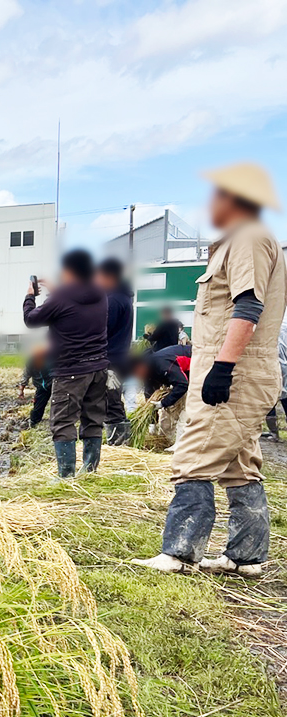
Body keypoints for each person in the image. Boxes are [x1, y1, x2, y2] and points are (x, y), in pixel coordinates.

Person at [135, 163, 286, 578]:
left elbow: (248, 305)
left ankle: (180, 554)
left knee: (194, 457)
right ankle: (246, 557)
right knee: (240, 463)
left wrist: (223, 366)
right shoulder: (238, 241)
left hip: (236, 371)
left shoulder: (249, 238)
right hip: (236, 368)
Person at [23, 250, 109, 478]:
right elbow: (75, 304)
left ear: (69, 270)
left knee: (63, 422)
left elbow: (31, 320)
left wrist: (29, 297)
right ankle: (90, 471)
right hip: (99, 368)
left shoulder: (61, 297)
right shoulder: (100, 293)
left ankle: (66, 477)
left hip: (71, 370)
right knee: (93, 419)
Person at [97, 257, 135, 445]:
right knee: (112, 401)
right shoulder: (123, 297)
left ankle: (120, 444)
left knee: (110, 402)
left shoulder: (112, 300)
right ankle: (119, 441)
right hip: (119, 358)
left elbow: (101, 331)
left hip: (110, 360)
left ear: (109, 277)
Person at [132, 345, 191, 444]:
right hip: (180, 377)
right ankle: (165, 440)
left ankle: (181, 443)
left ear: (141, 366)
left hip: (197, 366)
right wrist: (152, 424)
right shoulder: (147, 374)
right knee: (169, 409)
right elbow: (149, 400)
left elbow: (182, 384)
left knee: (184, 408)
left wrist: (163, 403)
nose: (137, 377)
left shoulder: (161, 364)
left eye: (136, 373)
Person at [262, 317, 287, 440]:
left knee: (270, 400)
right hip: (279, 365)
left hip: (272, 365)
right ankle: (274, 433)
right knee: (284, 398)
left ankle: (274, 434)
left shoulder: (274, 323)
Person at [18, 343, 54, 427]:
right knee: (38, 406)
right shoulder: (31, 363)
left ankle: (57, 422)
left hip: (53, 384)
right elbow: (26, 375)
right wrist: (21, 391)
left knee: (58, 404)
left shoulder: (51, 361)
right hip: (41, 387)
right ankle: (34, 422)